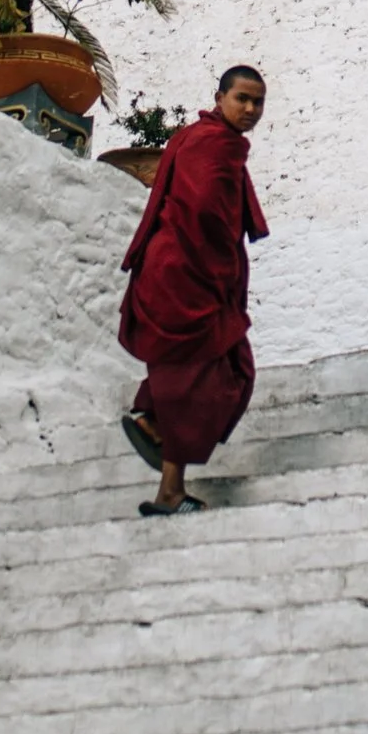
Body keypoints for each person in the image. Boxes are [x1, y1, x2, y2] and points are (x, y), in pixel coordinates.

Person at [116, 66, 267, 516]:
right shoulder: (209, 143)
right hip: (185, 274)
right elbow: (204, 214)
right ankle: (151, 423)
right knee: (222, 372)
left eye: (258, 102)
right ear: (219, 97)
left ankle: (166, 477)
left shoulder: (211, 141)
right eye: (241, 98)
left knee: (202, 375)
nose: (250, 110)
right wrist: (220, 279)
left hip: (186, 271)